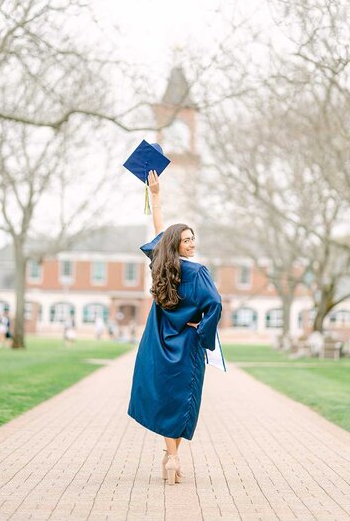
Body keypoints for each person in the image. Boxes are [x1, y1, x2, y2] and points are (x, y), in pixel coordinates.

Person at [127, 170, 222, 486]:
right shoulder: (198, 273)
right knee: (182, 400)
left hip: (157, 341)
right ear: (179, 246)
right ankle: (174, 457)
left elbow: (160, 230)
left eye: (193, 238)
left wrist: (155, 196)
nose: (192, 243)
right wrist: (203, 331)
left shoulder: (161, 264)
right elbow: (216, 305)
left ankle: (170, 457)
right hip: (187, 342)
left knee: (166, 396)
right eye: (187, 240)